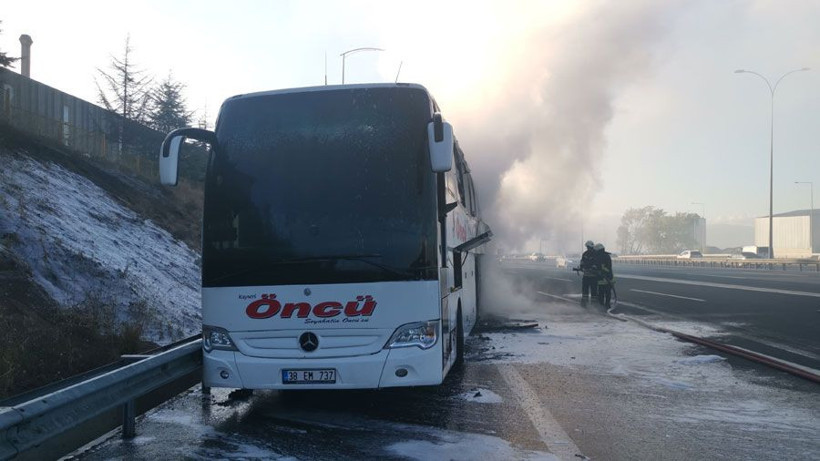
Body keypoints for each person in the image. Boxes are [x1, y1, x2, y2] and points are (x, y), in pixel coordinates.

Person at [594, 243, 614, 307]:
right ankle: (606, 304)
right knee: (606, 292)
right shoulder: (605, 256)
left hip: (605, 277)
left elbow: (606, 267)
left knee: (602, 292)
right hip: (607, 277)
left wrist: (601, 272)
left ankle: (603, 305)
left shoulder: (602, 257)